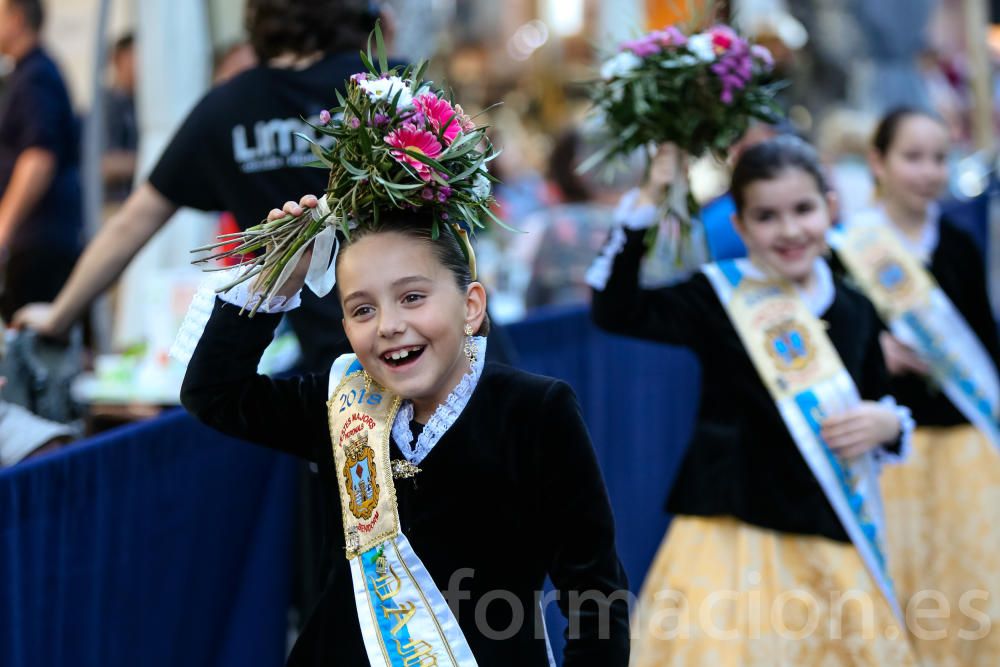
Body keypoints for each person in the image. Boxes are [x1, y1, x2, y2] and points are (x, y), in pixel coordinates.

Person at [180, 193, 631, 665]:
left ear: (471, 306)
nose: (389, 325)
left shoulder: (534, 410)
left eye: (412, 297)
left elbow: (593, 596)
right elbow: (214, 394)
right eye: (362, 310)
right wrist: (276, 282)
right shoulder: (339, 401)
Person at [590, 137, 918, 664]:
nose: (789, 230)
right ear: (739, 226)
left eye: (803, 210)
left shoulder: (856, 307)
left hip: (830, 535)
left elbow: (881, 398)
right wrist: (651, 197)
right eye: (767, 216)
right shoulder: (716, 297)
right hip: (731, 530)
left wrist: (887, 422)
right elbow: (616, 309)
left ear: (830, 207)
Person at [12, 0, 382, 372]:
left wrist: (59, 315)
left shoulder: (227, 107)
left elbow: (133, 222)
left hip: (326, 367)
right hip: (411, 335)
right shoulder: (384, 89)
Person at [830, 107, 1000, 664]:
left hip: (965, 443)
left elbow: (982, 339)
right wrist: (872, 350)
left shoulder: (956, 243)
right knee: (904, 584)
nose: (929, 171)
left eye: (939, 158)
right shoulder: (848, 248)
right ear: (878, 161)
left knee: (979, 584)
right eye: (913, 157)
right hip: (891, 450)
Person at [0, 0, 83, 322]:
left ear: (17, 19)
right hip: (37, 238)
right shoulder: (27, 72)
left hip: (41, 241)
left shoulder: (36, 75)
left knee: (32, 344)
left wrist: (4, 229)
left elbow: (39, 156)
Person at [102, 33, 138, 205]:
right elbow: (104, 165)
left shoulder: (140, 104)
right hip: (115, 205)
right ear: (119, 59)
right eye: (137, 56)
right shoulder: (108, 105)